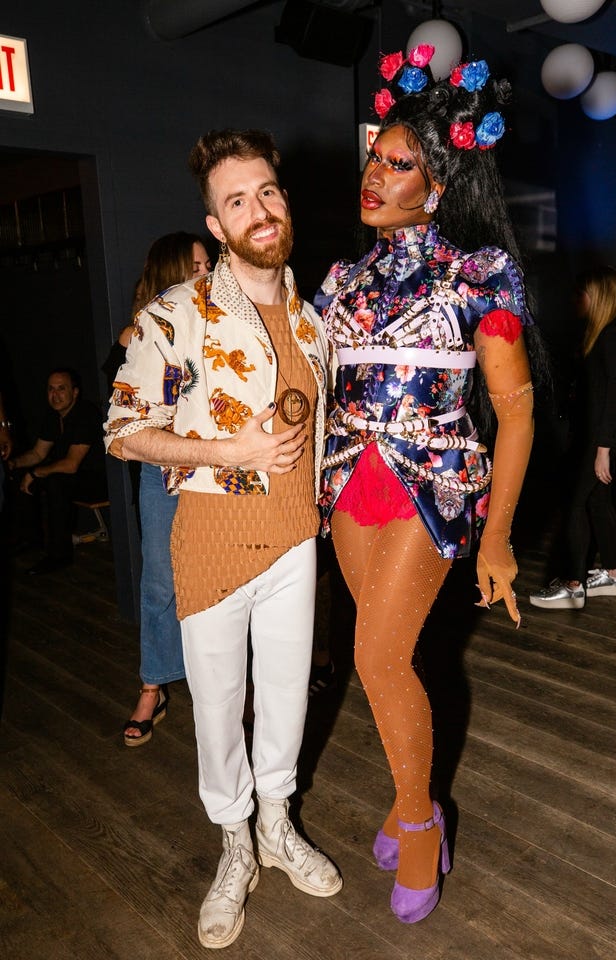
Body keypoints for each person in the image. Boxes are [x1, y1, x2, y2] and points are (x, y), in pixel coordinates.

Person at [314, 48, 538, 925]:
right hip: (348, 484)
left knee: (377, 657)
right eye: (375, 156)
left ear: (437, 186)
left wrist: (498, 536)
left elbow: (515, 412)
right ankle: (414, 797)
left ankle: (419, 827)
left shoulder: (476, 277)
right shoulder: (341, 282)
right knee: (385, 663)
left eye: (398, 164)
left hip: (433, 488)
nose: (374, 175)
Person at [105, 129, 341, 949]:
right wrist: (230, 452)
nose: (257, 209)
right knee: (216, 713)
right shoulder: (177, 314)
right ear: (215, 224)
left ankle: (275, 827)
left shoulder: (313, 325)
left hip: (294, 543)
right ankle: (235, 844)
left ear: (284, 201)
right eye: (236, 200)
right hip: (210, 547)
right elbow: (123, 432)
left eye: (266, 191)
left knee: (285, 700)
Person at [103, 232, 212, 747]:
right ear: (173, 273)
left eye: (208, 264)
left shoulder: (222, 322)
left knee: (220, 579)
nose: (206, 272)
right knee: (159, 582)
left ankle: (225, 687)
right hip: (161, 470)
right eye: (196, 265)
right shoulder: (141, 331)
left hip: (217, 467)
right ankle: (153, 686)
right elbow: (124, 412)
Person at [530, 264, 616, 609]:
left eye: (582, 293)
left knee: (575, 503)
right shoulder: (604, 331)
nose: (576, 298)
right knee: (597, 501)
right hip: (595, 434)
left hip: (601, 437)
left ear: (599, 295)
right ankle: (612, 574)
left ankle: (573, 586)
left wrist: (604, 448)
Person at [8, 368, 106, 574]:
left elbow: (71, 464)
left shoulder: (85, 414)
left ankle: (59, 556)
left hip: (100, 480)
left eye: (61, 389)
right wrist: (13, 464)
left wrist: (35, 473)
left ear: (75, 392)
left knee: (55, 482)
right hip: (72, 476)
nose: (55, 395)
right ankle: (30, 539)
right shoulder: (53, 416)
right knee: (18, 475)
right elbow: (37, 453)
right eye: (51, 389)